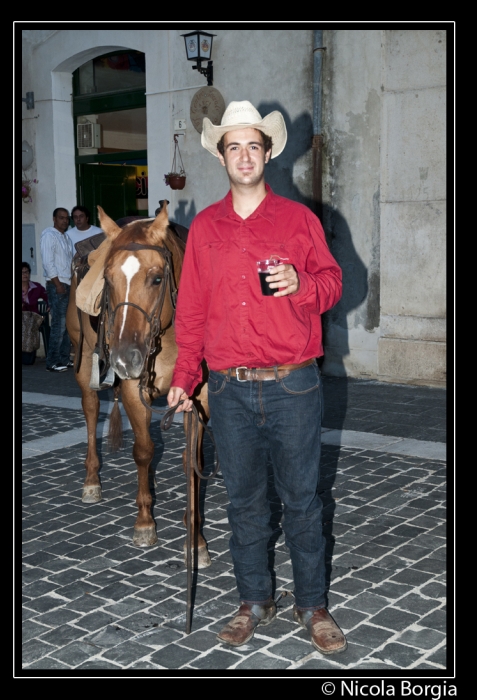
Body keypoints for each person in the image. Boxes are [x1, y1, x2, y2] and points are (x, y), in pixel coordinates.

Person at [167, 101, 347, 654]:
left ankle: (313, 606)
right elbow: (191, 308)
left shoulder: (299, 221)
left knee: (301, 502)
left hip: (294, 384)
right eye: (233, 146)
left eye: (253, 145)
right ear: (222, 157)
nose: (244, 155)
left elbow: (335, 282)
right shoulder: (205, 227)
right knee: (243, 501)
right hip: (228, 388)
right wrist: (184, 373)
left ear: (268, 153)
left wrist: (303, 283)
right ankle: (253, 601)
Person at [40, 207, 75, 373]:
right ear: (54, 219)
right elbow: (48, 262)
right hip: (57, 284)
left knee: (67, 324)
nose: (65, 221)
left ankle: (63, 359)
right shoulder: (49, 235)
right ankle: (52, 362)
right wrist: (58, 284)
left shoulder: (66, 237)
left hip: (67, 284)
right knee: (58, 325)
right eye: (61, 218)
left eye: (66, 218)